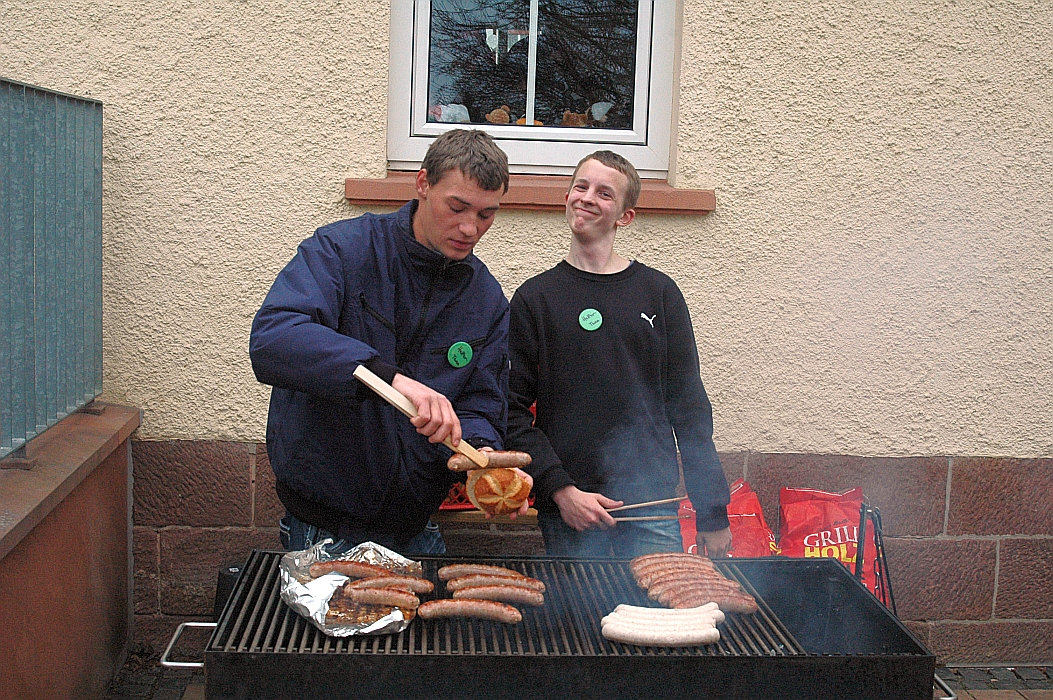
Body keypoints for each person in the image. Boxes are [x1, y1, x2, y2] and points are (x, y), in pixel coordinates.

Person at [249, 129, 531, 558]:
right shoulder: (343, 250)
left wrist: (483, 459)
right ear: (423, 183)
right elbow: (275, 337)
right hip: (324, 526)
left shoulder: (486, 298)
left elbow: (480, 402)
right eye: (457, 207)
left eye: (486, 214)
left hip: (417, 526)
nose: (470, 228)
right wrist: (389, 379)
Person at [506, 151, 732, 558]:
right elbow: (511, 409)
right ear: (567, 197)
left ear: (625, 217)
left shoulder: (659, 293)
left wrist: (712, 512)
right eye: (581, 186)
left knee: (658, 602)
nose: (587, 197)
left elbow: (689, 408)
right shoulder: (535, 298)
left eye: (604, 193)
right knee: (577, 604)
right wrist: (558, 488)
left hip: (652, 507)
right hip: (570, 510)